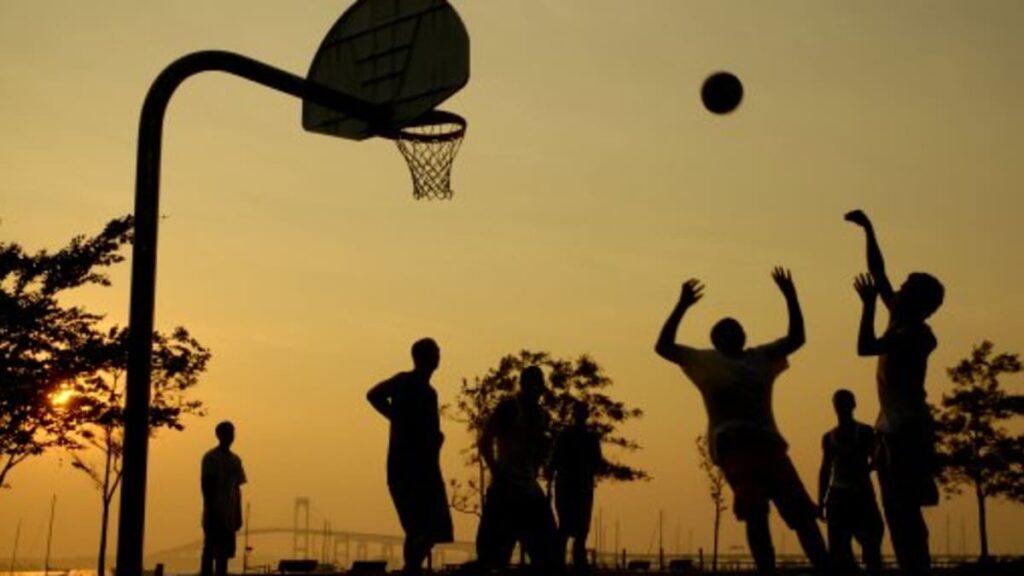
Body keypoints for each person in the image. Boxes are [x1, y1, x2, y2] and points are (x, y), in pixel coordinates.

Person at [655, 268, 828, 575]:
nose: (736, 333)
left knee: (802, 514)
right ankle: (766, 569)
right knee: (755, 513)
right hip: (734, 447)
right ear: (716, 340)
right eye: (728, 331)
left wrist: (791, 296)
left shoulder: (760, 357)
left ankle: (825, 566)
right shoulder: (704, 361)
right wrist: (681, 305)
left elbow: (797, 338)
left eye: (739, 329)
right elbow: (664, 347)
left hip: (770, 447)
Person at [847, 209, 944, 576]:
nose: (896, 290)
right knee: (895, 508)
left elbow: (865, 346)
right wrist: (868, 230)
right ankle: (910, 565)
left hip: (908, 430)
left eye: (904, 288)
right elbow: (879, 272)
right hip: (890, 429)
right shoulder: (900, 320)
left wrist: (868, 305)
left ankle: (916, 566)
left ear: (919, 302)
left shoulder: (915, 335)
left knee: (905, 508)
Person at [368, 337, 454, 575]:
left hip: (426, 466)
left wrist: (436, 439)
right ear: (422, 357)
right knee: (418, 526)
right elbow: (373, 394)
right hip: (407, 467)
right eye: (434, 353)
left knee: (431, 527)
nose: (438, 357)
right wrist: (395, 417)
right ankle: (411, 568)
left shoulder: (430, 392)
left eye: (438, 353)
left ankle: (411, 567)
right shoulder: (404, 381)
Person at [475, 365, 561, 574]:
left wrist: (541, 457)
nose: (536, 391)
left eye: (538, 386)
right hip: (506, 488)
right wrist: (496, 471)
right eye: (532, 385)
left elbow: (539, 453)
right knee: (493, 556)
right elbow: (485, 441)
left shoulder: (543, 416)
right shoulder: (509, 408)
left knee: (548, 554)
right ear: (524, 386)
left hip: (529, 488)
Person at [818, 389, 883, 576]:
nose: (841, 408)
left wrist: (821, 501)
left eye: (843, 403)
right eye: (839, 404)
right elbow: (825, 470)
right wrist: (821, 501)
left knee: (870, 542)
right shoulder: (831, 438)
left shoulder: (863, 432)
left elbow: (877, 458)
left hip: (855, 496)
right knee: (844, 551)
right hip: (843, 497)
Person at [550, 401, 603, 572]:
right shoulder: (568, 436)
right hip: (571, 485)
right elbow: (554, 462)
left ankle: (572, 562)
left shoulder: (583, 437)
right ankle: (566, 562)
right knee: (569, 527)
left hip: (577, 485)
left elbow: (554, 463)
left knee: (577, 528)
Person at [201, 421, 247, 576]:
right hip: (214, 514)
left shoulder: (236, 460)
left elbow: (237, 489)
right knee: (210, 552)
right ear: (219, 435)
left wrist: (238, 514)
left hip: (229, 515)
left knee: (224, 556)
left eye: (232, 433)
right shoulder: (210, 458)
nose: (230, 436)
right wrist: (212, 511)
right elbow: (207, 487)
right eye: (227, 433)